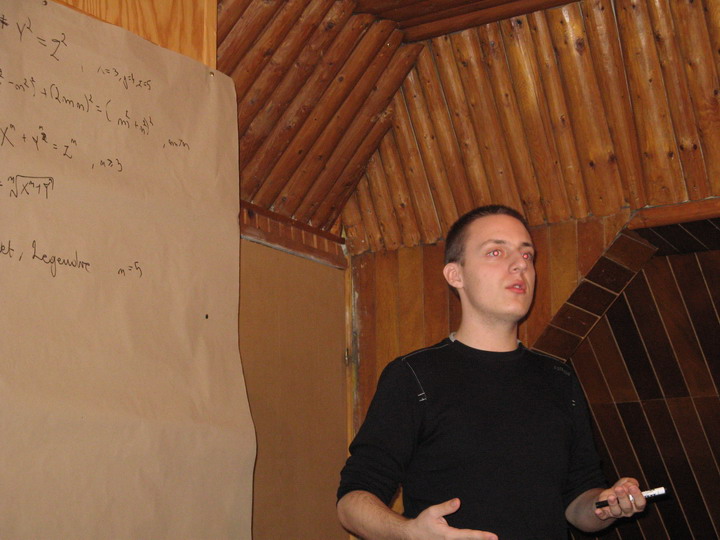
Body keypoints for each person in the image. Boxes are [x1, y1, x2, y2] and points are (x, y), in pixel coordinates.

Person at [337, 205, 646, 539]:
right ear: (456, 275)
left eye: (526, 255)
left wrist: (606, 504)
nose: (520, 265)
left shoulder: (559, 378)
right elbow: (352, 502)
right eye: (496, 252)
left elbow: (579, 504)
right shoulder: (414, 376)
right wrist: (409, 533)